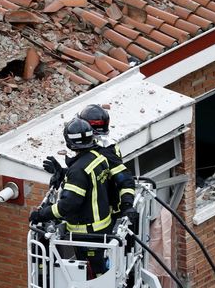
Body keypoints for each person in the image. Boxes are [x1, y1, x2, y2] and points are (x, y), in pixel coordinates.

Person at [30, 118, 114, 273]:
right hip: (103, 228)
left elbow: (68, 206)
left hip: (87, 235)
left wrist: (41, 214)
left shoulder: (78, 170)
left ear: (69, 143)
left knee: (94, 276)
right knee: (99, 270)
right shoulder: (98, 157)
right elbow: (88, 184)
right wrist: (62, 173)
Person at [78, 104, 138, 234]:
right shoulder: (107, 143)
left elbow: (125, 179)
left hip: (108, 210)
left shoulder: (104, 151)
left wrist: (127, 205)